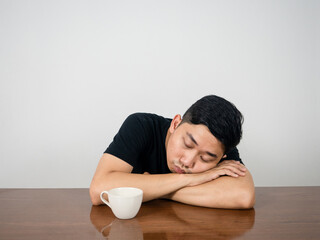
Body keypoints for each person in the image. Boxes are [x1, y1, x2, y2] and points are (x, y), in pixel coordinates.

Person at [90, 95, 255, 209]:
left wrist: (159, 191)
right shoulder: (141, 125)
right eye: (188, 144)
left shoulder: (219, 146)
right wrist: (193, 179)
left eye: (205, 159)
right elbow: (99, 190)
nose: (188, 161)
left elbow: (243, 196)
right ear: (175, 123)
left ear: (222, 157)